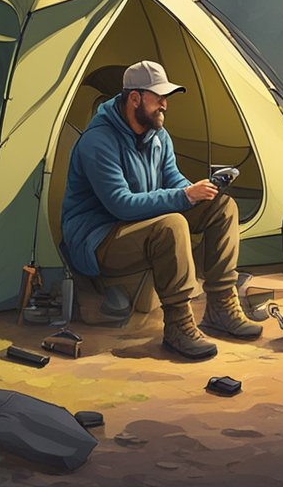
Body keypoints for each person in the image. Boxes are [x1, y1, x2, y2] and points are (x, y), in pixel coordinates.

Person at [60, 60, 260, 360]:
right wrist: (182, 196)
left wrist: (198, 193)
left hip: (138, 222)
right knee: (171, 225)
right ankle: (178, 325)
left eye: (166, 97)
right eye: (158, 97)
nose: (165, 104)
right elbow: (121, 204)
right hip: (98, 238)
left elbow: (173, 181)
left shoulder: (159, 137)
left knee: (222, 206)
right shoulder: (97, 141)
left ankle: (222, 306)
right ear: (135, 98)